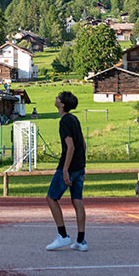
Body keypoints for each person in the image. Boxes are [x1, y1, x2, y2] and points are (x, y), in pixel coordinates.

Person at [45, 91, 87, 252]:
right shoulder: (74, 119)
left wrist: (65, 170)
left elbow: (71, 147)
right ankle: (81, 241)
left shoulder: (64, 121)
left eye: (58, 98)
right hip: (79, 167)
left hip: (69, 166)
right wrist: (83, 167)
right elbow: (83, 144)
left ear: (62, 104)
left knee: (51, 198)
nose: (55, 99)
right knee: (77, 201)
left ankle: (62, 235)